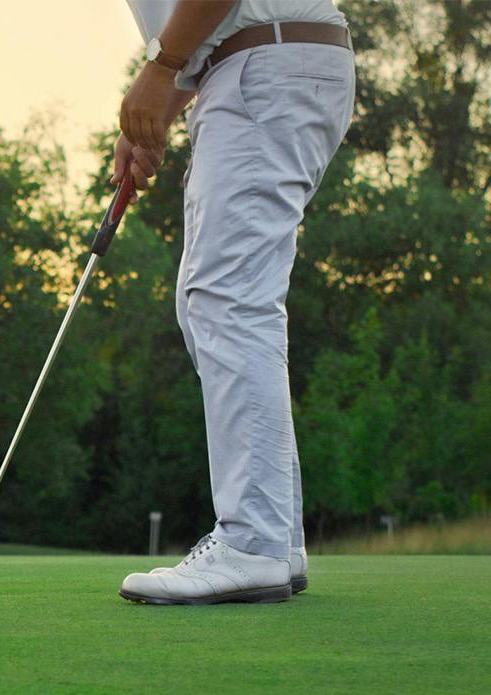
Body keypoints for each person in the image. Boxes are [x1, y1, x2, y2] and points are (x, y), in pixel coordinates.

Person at [113, 0, 355, 604]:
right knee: (214, 304)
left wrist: (159, 69)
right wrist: (153, 119)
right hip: (259, 67)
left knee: (228, 302)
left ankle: (254, 543)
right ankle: (276, 540)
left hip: (262, 68)